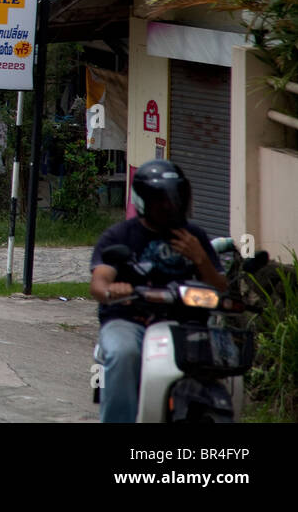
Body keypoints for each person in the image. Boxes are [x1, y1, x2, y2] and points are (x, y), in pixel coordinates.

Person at [89, 159, 226, 422]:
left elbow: (220, 287)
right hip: (129, 320)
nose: (168, 205)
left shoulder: (193, 235)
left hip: (186, 322)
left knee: (219, 361)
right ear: (143, 201)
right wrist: (111, 290)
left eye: (174, 198)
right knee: (123, 353)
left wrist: (201, 258)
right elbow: (99, 280)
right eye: (160, 199)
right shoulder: (119, 235)